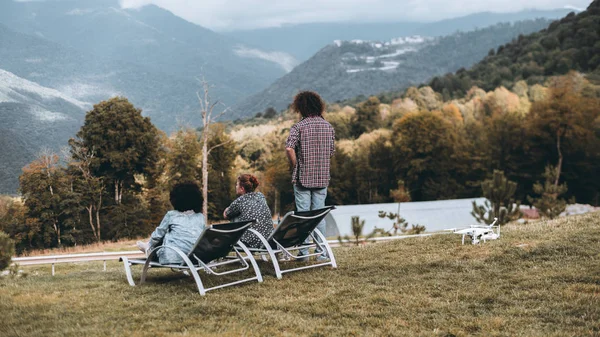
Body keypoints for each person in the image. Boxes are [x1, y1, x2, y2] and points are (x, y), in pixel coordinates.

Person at [285, 90, 335, 261]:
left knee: (303, 216)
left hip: (302, 178)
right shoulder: (328, 126)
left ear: (301, 107)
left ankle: (304, 253)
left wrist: (296, 165)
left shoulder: (299, 127)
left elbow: (289, 147)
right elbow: (331, 151)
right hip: (322, 178)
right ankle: (322, 253)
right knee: (319, 216)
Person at [136, 182, 206, 264]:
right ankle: (149, 248)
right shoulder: (200, 217)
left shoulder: (172, 215)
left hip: (172, 257)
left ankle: (148, 248)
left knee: (164, 234)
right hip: (195, 257)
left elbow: (158, 235)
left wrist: (150, 244)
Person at [223, 174, 273, 248]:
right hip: (268, 240)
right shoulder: (261, 196)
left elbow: (225, 215)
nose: (236, 187)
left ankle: (233, 239)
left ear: (242, 188)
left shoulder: (240, 201)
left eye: (237, 185)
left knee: (233, 215)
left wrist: (228, 209)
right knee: (240, 213)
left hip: (250, 242)